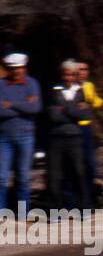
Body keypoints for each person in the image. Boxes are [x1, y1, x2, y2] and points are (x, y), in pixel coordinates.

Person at [47, 61, 93, 208]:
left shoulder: (80, 91)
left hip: (75, 137)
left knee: (79, 172)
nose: (69, 77)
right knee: (55, 175)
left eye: (72, 74)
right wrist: (74, 110)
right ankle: (56, 210)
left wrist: (64, 109)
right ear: (62, 74)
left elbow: (85, 115)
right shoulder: (54, 90)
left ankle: (83, 207)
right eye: (66, 74)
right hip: (56, 137)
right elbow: (53, 116)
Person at [0, 54, 42, 210]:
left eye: (20, 68)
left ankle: (23, 212)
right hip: (4, 137)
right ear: (9, 69)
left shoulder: (32, 84)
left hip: (26, 136)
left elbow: (35, 108)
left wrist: (9, 104)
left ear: (24, 68)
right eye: (14, 69)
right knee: (2, 177)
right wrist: (24, 105)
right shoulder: (1, 85)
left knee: (23, 177)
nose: (17, 71)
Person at [76, 62, 103, 204]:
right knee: (77, 166)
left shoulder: (89, 86)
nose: (83, 72)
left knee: (90, 166)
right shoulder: (72, 87)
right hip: (74, 130)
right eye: (80, 69)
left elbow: (96, 101)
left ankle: (89, 201)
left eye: (85, 69)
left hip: (87, 129)